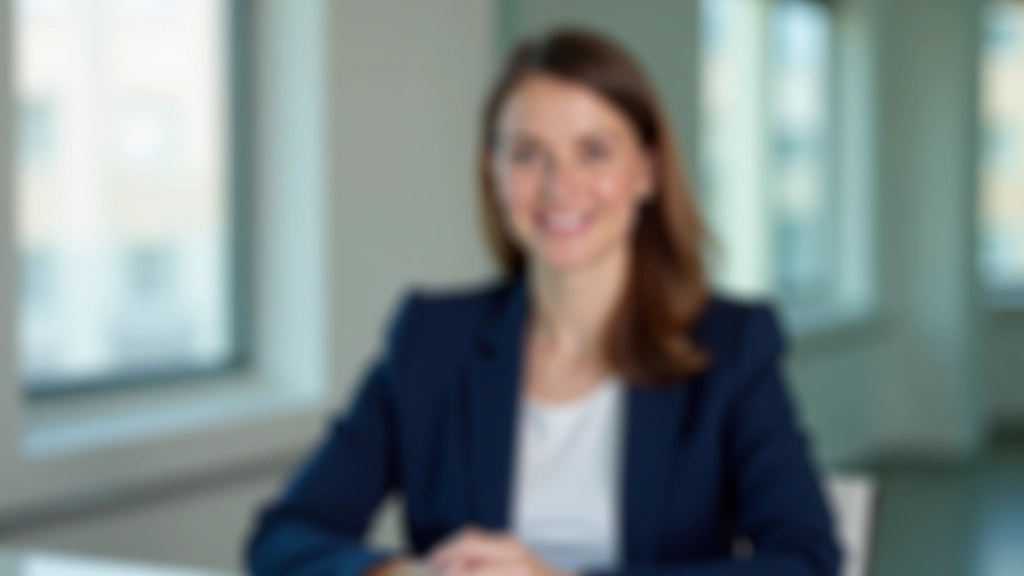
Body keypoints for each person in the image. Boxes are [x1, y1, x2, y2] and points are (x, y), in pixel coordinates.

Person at [246, 27, 840, 576]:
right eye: (528, 154)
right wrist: (397, 573)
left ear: (648, 172)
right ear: (494, 173)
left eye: (595, 152)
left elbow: (804, 560)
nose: (560, 186)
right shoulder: (431, 340)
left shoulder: (731, 346)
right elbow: (285, 535)